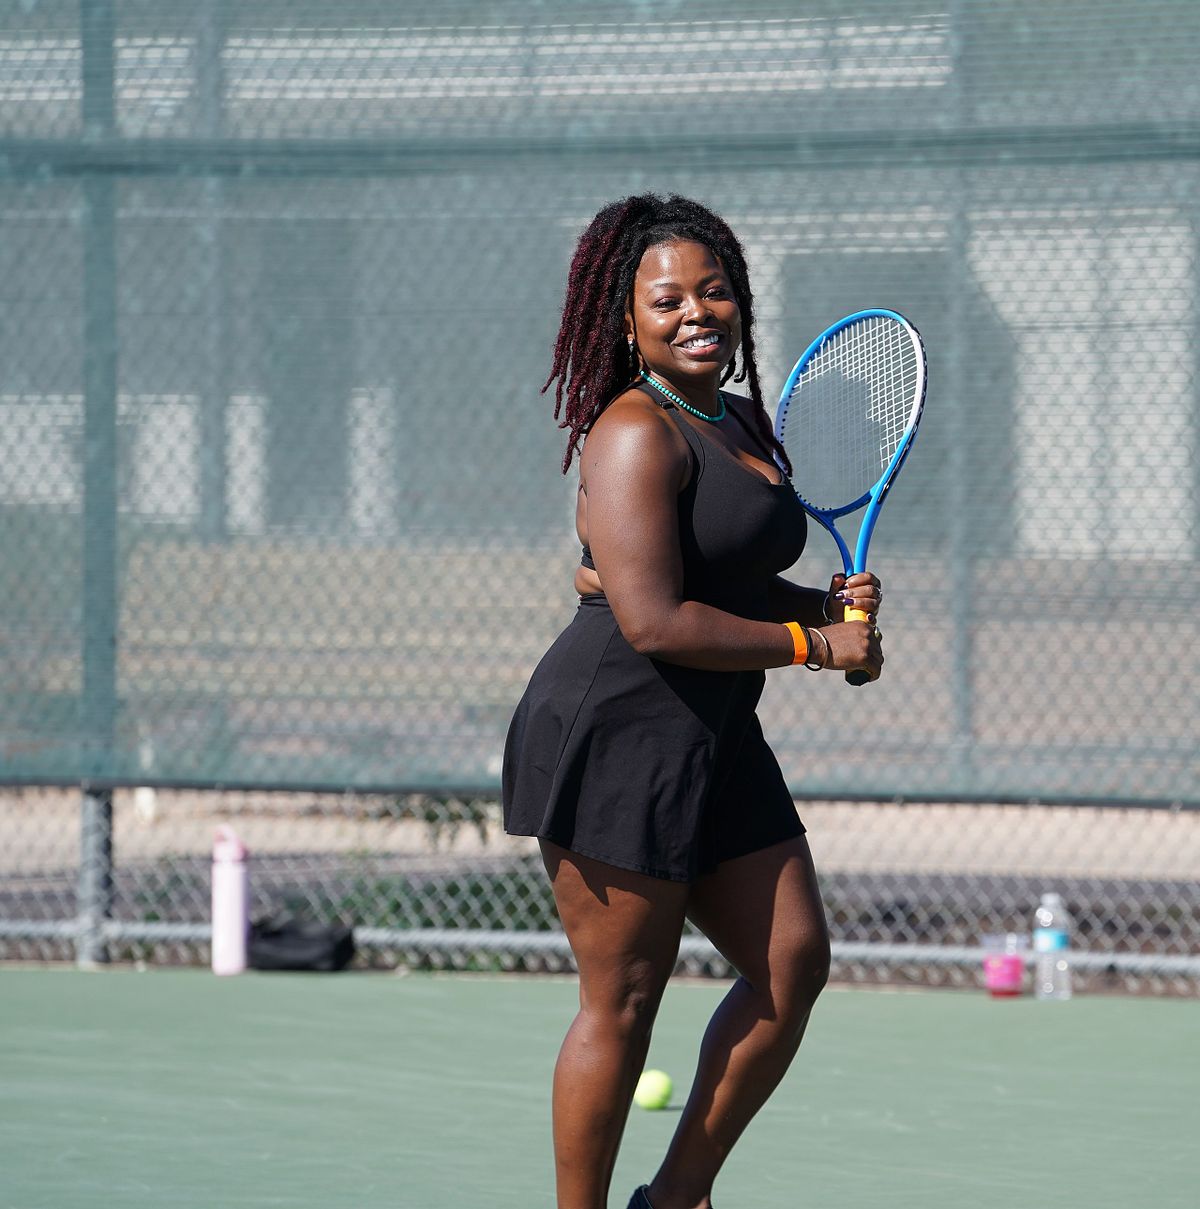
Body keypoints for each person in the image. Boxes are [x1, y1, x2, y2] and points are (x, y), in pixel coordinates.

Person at [502, 194, 884, 1209]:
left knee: (791, 961)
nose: (696, 313)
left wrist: (825, 609)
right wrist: (814, 642)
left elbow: (729, 578)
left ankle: (673, 1199)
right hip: (617, 733)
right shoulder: (633, 432)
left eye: (713, 291)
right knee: (624, 999)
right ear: (627, 322)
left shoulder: (741, 418)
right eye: (666, 300)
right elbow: (656, 620)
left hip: (718, 733)